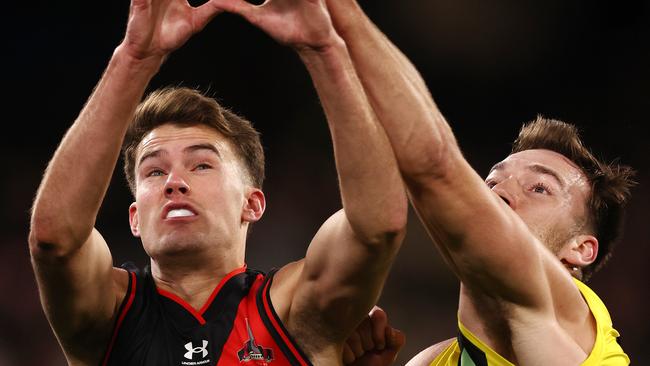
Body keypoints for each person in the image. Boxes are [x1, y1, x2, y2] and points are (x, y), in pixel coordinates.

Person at [28, 0, 409, 364]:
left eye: (201, 165)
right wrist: (134, 59)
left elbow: (376, 228)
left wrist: (323, 50)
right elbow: (55, 240)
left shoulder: (295, 309)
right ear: (135, 218)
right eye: (154, 171)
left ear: (253, 203)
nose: (174, 182)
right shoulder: (109, 312)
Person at [320, 0, 635, 365]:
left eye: (539, 188)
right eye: (491, 183)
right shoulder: (430, 362)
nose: (500, 193)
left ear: (581, 250)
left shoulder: (568, 323)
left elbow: (435, 169)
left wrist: (334, 30)